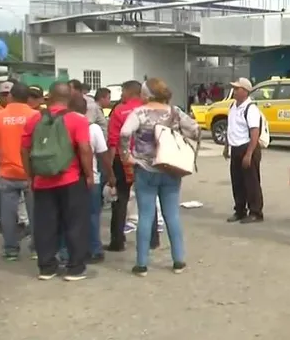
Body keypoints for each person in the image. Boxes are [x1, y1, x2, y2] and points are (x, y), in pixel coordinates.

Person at [120, 78, 199, 276]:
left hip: (145, 169)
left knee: (145, 216)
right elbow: (195, 130)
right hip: (171, 168)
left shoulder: (139, 112)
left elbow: (124, 132)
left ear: (146, 94)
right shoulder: (175, 112)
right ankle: (178, 261)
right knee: (172, 215)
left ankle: (142, 264)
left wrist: (126, 155)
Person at [22, 82, 95, 281]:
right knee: (75, 223)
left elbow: (24, 149)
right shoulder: (77, 120)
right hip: (70, 179)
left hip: (42, 180)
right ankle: (75, 268)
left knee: (45, 224)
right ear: (69, 98)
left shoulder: (34, 119)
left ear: (50, 97)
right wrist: (89, 175)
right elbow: (84, 149)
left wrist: (30, 176)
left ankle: (46, 267)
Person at [105, 80, 159, 253]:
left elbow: (113, 141)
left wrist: (110, 169)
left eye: (123, 91)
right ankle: (152, 239)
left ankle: (117, 241)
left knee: (120, 199)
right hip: (147, 159)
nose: (121, 95)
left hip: (123, 159)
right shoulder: (149, 109)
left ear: (130, 92)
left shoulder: (119, 111)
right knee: (148, 198)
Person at [0, 82, 37, 261]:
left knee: (8, 214)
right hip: (31, 173)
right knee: (35, 212)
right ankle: (36, 248)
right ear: (28, 98)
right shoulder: (36, 116)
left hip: (6, 172)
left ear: (11, 96)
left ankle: (11, 249)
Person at [67, 95, 114, 263]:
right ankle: (94, 249)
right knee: (93, 215)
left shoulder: (62, 125)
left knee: (71, 216)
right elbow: (103, 155)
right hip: (91, 178)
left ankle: (71, 250)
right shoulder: (93, 128)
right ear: (86, 110)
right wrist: (111, 175)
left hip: (69, 179)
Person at [223, 77, 264, 223]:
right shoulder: (233, 106)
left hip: (247, 147)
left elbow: (254, 132)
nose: (234, 91)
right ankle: (240, 210)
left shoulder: (251, 109)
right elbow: (231, 128)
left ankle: (256, 212)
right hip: (235, 147)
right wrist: (227, 146)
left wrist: (249, 154)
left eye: (237, 89)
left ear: (245, 91)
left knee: (251, 182)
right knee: (237, 182)